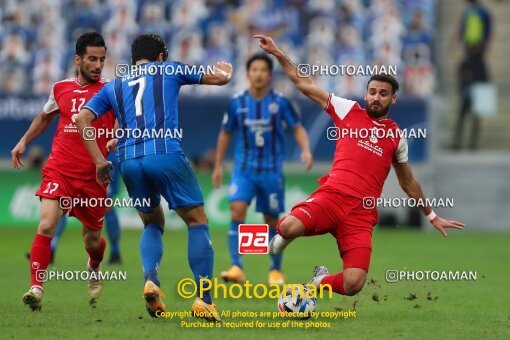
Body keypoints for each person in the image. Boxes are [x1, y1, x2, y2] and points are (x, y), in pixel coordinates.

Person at [254, 35, 464, 297]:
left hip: (361, 215)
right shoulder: (348, 110)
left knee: (353, 284)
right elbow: (303, 83)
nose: (376, 97)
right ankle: (278, 242)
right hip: (331, 197)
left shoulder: (396, 137)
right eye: (373, 92)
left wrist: (431, 215)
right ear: (366, 93)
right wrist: (278, 53)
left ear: (393, 100)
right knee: (287, 227)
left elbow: (408, 182)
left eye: (383, 94)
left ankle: (319, 282)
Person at [76, 34, 233, 321]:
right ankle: (204, 300)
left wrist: (99, 159)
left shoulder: (115, 83)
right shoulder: (170, 69)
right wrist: (225, 71)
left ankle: (151, 280)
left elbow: (81, 118)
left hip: (128, 161)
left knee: (152, 222)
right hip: (165, 154)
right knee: (197, 221)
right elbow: (218, 79)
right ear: (161, 56)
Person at [11, 32, 116, 311]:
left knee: (92, 241)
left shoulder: (112, 90)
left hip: (94, 176)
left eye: (102, 59)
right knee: (46, 225)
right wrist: (24, 141)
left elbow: (125, 122)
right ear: (78, 59)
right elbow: (45, 116)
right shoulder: (60, 88)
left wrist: (118, 137)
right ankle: (36, 288)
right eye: (92, 59)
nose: (98, 64)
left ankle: (94, 266)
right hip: (60, 170)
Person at [212, 53, 313, 285]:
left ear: (269, 74)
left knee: (272, 221)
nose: (258, 74)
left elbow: (297, 128)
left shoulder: (280, 102)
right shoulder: (237, 102)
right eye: (254, 70)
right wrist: (218, 165)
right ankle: (236, 266)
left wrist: (305, 149)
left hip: (271, 172)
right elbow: (225, 133)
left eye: (263, 70)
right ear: (248, 74)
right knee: (237, 210)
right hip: (244, 170)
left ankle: (275, 270)